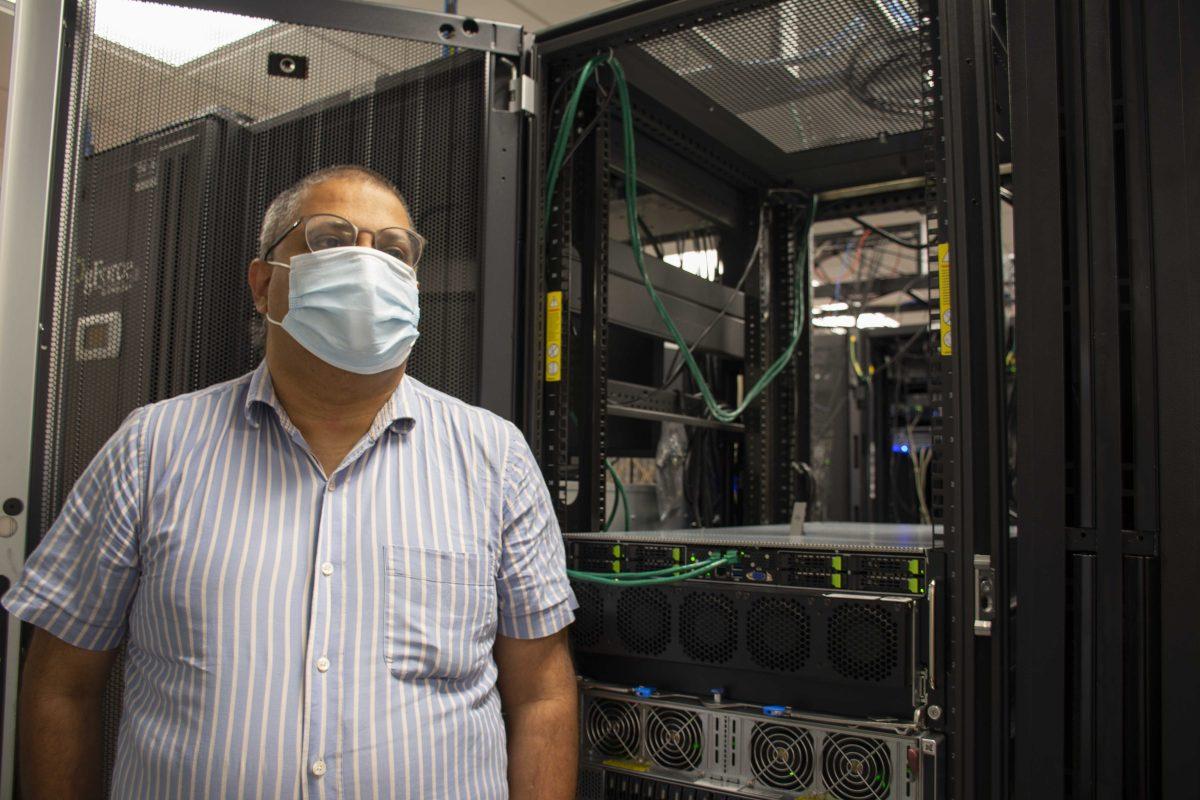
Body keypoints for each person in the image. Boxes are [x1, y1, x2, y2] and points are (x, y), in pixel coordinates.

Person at [4, 165, 579, 799]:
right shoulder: (151, 449)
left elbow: (542, 693)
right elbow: (61, 684)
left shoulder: (494, 458)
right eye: (331, 240)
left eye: (393, 251)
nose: (368, 266)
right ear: (262, 284)